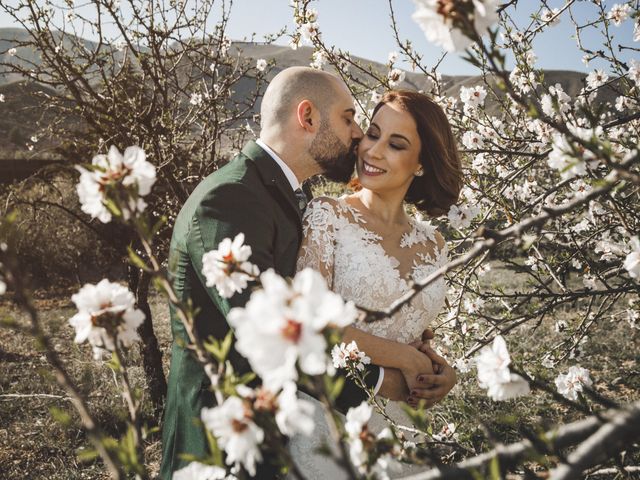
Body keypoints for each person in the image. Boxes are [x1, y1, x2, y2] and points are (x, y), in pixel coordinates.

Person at [160, 69, 435, 479]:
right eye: (347, 118)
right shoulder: (231, 197)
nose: (358, 135)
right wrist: (396, 382)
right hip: (221, 442)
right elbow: (277, 339)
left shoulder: (280, 194)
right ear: (307, 118)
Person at [291, 89, 462, 478]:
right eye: (372, 134)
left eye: (396, 144)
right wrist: (403, 359)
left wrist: (441, 372)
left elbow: (417, 330)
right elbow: (310, 324)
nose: (373, 151)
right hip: (330, 424)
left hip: (404, 430)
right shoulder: (327, 217)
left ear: (421, 164)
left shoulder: (432, 242)